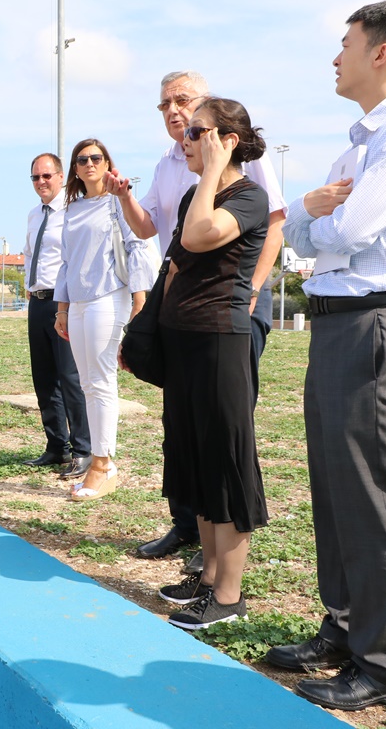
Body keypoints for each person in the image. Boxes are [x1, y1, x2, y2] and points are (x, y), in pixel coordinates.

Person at [265, 0, 386, 712]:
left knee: (369, 492)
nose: (335, 57)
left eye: (346, 43)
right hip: (335, 321)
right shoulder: (354, 145)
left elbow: (357, 226)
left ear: (381, 53)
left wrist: (319, 214)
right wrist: (313, 209)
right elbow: (304, 237)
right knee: (335, 487)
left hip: (372, 322)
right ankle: (343, 628)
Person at [116, 70, 287, 572]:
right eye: (168, 107)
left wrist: (251, 289)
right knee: (190, 446)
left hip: (224, 326)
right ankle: (201, 555)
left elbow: (219, 233)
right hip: (185, 330)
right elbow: (165, 249)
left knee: (225, 449)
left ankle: (226, 582)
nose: (179, 123)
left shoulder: (244, 185)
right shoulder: (182, 181)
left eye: (193, 122)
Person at [54, 139, 158, 502]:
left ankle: (103, 464)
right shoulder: (71, 209)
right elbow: (65, 262)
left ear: (107, 162)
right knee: (87, 383)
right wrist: (62, 308)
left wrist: (139, 298)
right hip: (78, 302)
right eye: (81, 160)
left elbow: (138, 247)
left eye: (96, 158)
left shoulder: (118, 203)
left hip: (108, 296)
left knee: (101, 382)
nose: (89, 164)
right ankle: (102, 462)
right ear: (75, 168)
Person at [20, 152, 92, 481]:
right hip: (38, 301)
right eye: (35, 178)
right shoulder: (35, 214)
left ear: (61, 176)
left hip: (63, 301)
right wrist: (28, 287)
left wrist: (65, 303)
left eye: (47, 176)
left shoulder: (73, 209)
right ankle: (56, 445)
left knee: (70, 376)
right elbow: (30, 253)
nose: (41, 182)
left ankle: (83, 450)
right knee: (44, 377)